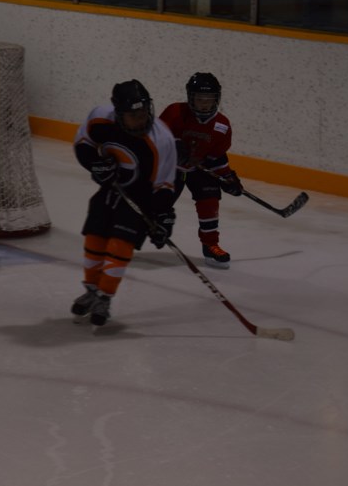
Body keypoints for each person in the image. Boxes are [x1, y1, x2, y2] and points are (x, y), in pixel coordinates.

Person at [71, 79, 178, 328]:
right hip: (110, 191)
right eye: (133, 116)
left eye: (143, 114)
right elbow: (83, 144)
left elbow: (164, 184)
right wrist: (95, 165)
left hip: (140, 199)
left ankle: (105, 297)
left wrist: (163, 216)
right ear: (118, 114)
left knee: (120, 246)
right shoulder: (100, 118)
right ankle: (91, 290)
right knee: (94, 239)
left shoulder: (162, 139)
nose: (141, 120)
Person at [159, 72, 242, 269]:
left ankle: (210, 245)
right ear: (190, 97)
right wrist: (173, 145)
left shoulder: (222, 126)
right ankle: (126, 238)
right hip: (170, 168)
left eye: (209, 99)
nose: (204, 104)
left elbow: (217, 158)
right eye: (199, 99)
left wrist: (228, 177)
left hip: (199, 169)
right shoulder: (174, 112)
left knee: (210, 201)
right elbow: (154, 137)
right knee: (155, 205)